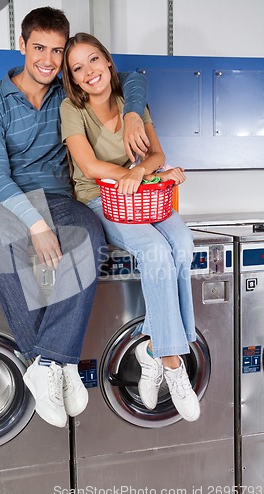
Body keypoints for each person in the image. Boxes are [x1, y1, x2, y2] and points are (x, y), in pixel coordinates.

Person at [0, 8, 149, 429]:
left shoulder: (68, 96)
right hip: (9, 203)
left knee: (89, 233)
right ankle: (54, 360)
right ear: (22, 46)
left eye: (57, 50)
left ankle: (48, 360)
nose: (48, 60)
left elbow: (135, 79)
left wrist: (133, 112)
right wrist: (35, 225)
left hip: (59, 196)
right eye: (39, 49)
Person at [60, 33, 200, 422]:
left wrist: (141, 171)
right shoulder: (72, 109)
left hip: (143, 193)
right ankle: (173, 365)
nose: (88, 72)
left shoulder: (130, 105)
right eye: (77, 68)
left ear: (107, 61)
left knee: (183, 244)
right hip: (100, 199)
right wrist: (133, 173)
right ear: (72, 78)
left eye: (93, 60)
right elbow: (87, 167)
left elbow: (157, 154)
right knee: (155, 250)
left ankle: (153, 346)